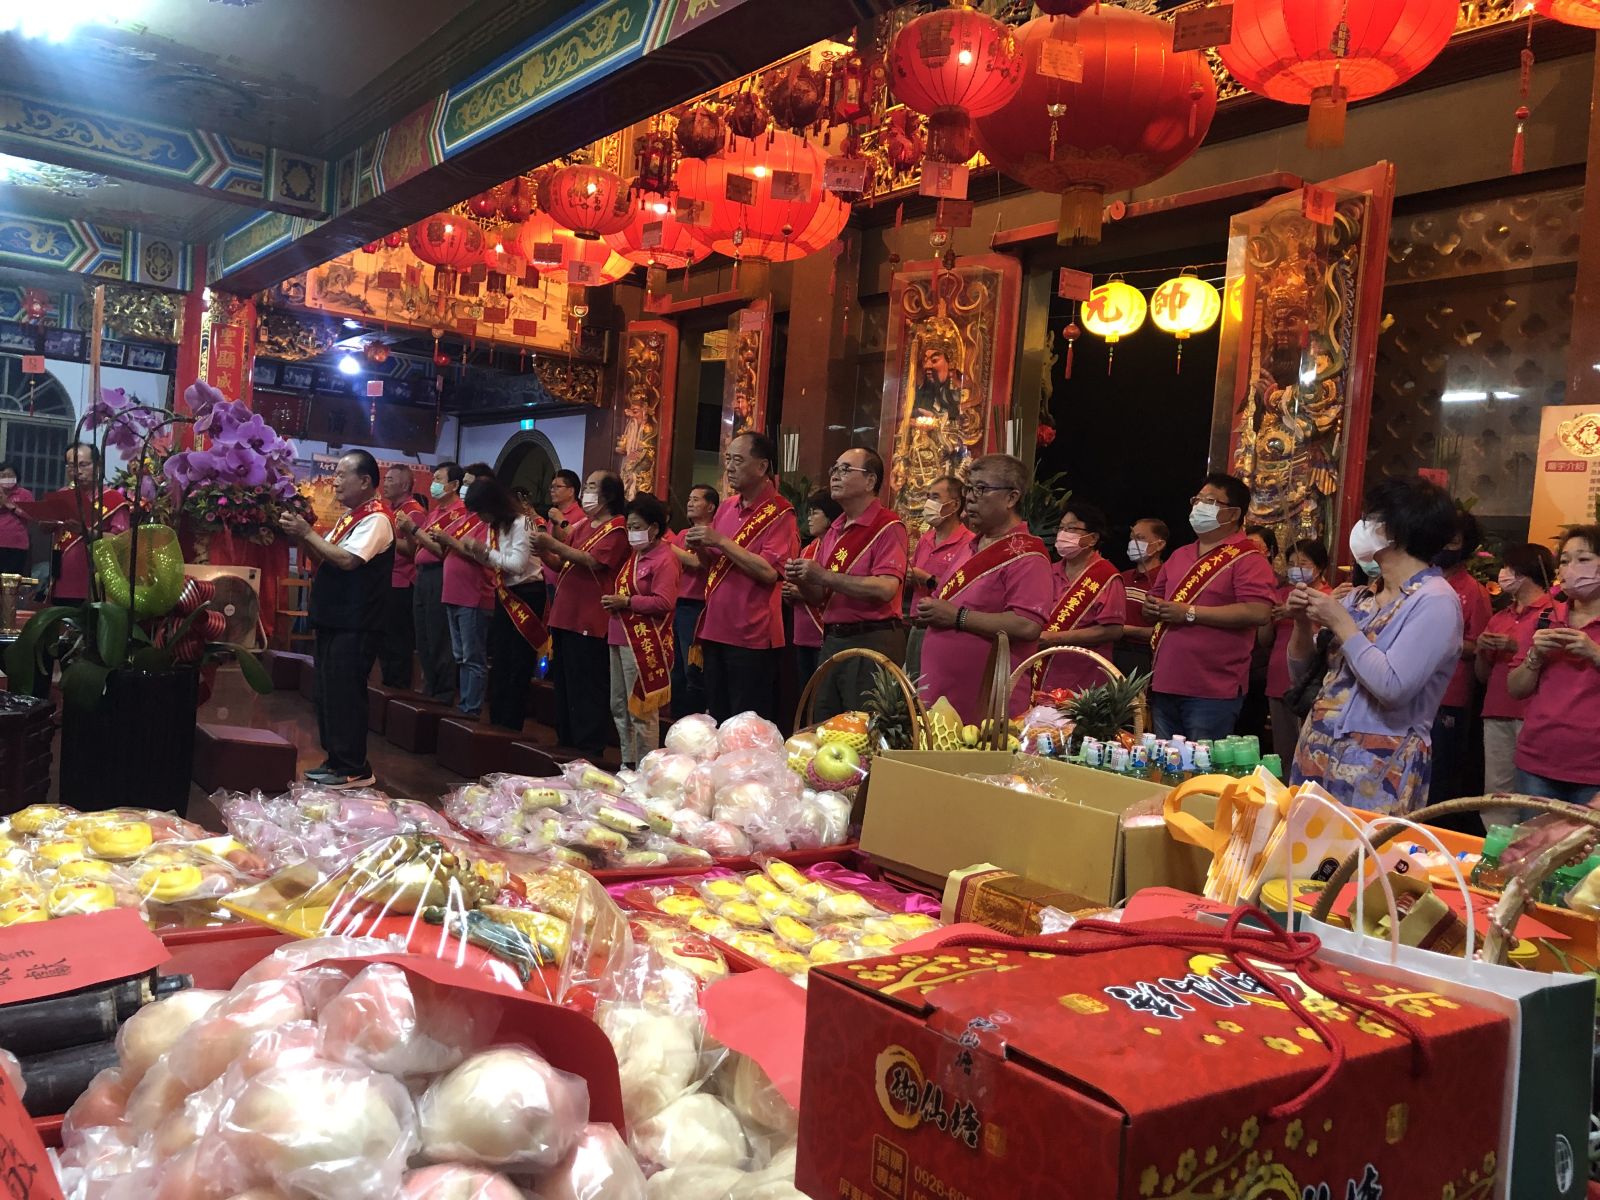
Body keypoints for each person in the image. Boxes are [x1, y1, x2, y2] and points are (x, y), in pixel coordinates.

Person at [1286, 477, 1463, 813]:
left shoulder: (1436, 600)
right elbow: (1302, 673)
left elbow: (1393, 687)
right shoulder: (1359, 597)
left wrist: (1341, 623)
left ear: (1397, 530)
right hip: (1318, 746)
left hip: (1379, 762)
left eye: (1371, 518)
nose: (1362, 526)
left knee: (1365, 848)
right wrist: (1301, 622)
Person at [278, 450, 394, 789]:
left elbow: (346, 560)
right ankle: (336, 760)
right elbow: (324, 557)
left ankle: (355, 767)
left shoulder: (376, 519)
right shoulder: (350, 517)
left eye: (343, 475)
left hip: (356, 621)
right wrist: (301, 536)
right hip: (335, 619)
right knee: (328, 693)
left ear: (365, 481)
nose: (336, 481)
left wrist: (307, 533)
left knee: (346, 694)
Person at [913, 453, 1053, 724]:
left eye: (981, 489)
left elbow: (1027, 625)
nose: (970, 498)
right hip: (941, 692)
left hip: (983, 700)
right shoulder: (971, 545)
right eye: (969, 488)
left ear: (1011, 498)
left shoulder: (1027, 554)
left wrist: (958, 617)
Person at [1142, 474, 1276, 740]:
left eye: (1210, 501)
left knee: (1202, 763)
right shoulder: (1180, 554)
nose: (1199, 506)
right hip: (1165, 682)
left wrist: (1190, 613)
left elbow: (1258, 611)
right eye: (1197, 500)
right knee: (1164, 763)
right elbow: (1154, 602)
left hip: (1211, 690)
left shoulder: (1248, 558)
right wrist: (1151, 608)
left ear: (1233, 513)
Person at [784, 448, 907, 720]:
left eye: (846, 470)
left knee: (864, 726)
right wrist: (801, 579)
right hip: (833, 639)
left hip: (871, 639)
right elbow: (819, 596)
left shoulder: (888, 526)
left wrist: (823, 575)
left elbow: (886, 588)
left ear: (870, 481)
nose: (835, 476)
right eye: (834, 469)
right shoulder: (835, 529)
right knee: (823, 722)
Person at [685, 432, 798, 724]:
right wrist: (702, 547)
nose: (730, 467)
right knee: (719, 716)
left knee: (746, 724)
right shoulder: (727, 506)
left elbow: (770, 572)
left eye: (737, 460)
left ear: (762, 467)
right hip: (715, 628)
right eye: (728, 459)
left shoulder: (780, 513)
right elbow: (711, 565)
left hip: (751, 635)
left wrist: (720, 541)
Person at [433, 476, 545, 732]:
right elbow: (493, 562)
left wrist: (484, 551)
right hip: (504, 591)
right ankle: (497, 721)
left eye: (482, 511)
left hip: (526, 594)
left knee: (518, 663)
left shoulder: (522, 522)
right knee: (501, 660)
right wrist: (478, 552)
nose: (481, 518)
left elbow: (517, 565)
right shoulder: (496, 526)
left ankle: (511, 724)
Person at [1506, 524, 1600, 806]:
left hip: (1594, 771)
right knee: (1531, 835)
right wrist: (1535, 655)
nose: (1571, 569)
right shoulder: (1545, 618)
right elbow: (1516, 689)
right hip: (1536, 762)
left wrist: (1594, 652)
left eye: (1583, 559)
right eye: (1565, 561)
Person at [537, 470, 628, 757]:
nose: (586, 492)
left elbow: (593, 561)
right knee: (564, 684)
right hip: (565, 614)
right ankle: (565, 742)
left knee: (587, 685)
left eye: (591, 486)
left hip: (590, 617)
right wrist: (543, 551)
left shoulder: (618, 528)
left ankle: (588, 748)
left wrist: (553, 544)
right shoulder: (584, 525)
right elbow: (560, 562)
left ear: (608, 495)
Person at [1476, 542, 1556, 821]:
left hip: (1534, 715)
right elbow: (1482, 676)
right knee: (1496, 792)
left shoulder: (1553, 613)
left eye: (1509, 568)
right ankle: (1495, 843)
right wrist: (1482, 649)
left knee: (1534, 794)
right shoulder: (1500, 617)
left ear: (1526, 572)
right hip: (1496, 711)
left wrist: (1515, 648)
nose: (1503, 574)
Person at [603, 493, 681, 767]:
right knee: (619, 705)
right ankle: (628, 763)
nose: (631, 533)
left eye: (637, 527)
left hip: (644, 642)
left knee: (641, 710)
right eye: (629, 527)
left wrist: (627, 602)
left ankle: (647, 768)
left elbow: (664, 602)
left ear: (654, 528)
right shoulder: (635, 556)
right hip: (619, 635)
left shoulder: (665, 558)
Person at [1429, 506, 1493, 805]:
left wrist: (1442, 643)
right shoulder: (1423, 583)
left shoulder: (1474, 591)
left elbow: (1480, 646)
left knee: (1439, 773)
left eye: (1452, 537)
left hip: (1450, 697)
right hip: (1414, 691)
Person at [1036, 501, 1126, 698]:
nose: (1063, 534)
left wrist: (1057, 638)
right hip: (1041, 673)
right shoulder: (1049, 570)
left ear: (1092, 538)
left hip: (1084, 681)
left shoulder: (1106, 577)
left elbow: (1113, 630)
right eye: (1061, 528)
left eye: (1071, 528)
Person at [1261, 537, 1332, 767]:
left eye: (1302, 564)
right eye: (1291, 564)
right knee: (1283, 752)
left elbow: (1326, 640)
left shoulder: (1329, 597)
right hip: (1278, 679)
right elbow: (1265, 640)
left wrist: (1298, 615)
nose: (1295, 569)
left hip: (1311, 684)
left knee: (1309, 752)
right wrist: (1268, 616)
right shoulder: (1282, 595)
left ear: (1319, 567)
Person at [397, 463, 462, 704]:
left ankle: (443, 693)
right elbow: (419, 545)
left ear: (454, 485)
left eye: (438, 479)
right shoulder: (434, 513)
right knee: (422, 635)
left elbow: (442, 550)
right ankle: (429, 688)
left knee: (438, 634)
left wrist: (413, 528)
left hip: (440, 574)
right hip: (422, 575)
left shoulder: (459, 513)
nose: (434, 484)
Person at [903, 475, 971, 682]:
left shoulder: (968, 543)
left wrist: (929, 579)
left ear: (955, 505)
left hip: (944, 631)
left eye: (935, 497)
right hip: (916, 626)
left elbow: (965, 590)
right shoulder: (925, 539)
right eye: (928, 497)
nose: (928, 504)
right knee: (911, 690)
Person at [49, 443, 129, 606]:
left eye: (83, 465)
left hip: (94, 582)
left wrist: (86, 532)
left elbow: (121, 542)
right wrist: (45, 523)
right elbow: (49, 529)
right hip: (61, 577)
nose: (77, 471)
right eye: (71, 466)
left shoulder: (114, 500)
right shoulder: (62, 495)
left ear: (98, 465)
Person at [783, 488, 842, 689]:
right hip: (802, 634)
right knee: (805, 692)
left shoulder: (838, 548)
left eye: (815, 512)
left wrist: (801, 592)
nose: (809, 518)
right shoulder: (807, 550)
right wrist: (789, 592)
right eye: (808, 513)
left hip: (823, 634)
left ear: (830, 516)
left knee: (823, 692)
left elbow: (830, 589)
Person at [667, 484, 718, 717]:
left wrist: (665, 546)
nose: (690, 503)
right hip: (678, 604)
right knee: (676, 667)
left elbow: (698, 563)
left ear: (711, 506)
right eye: (689, 498)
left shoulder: (714, 534)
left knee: (693, 669)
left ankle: (695, 717)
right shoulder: (681, 535)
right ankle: (677, 719)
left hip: (698, 606)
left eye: (696, 499)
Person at [378, 465, 425, 689]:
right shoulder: (389, 509)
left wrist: (383, 538)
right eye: (385, 479)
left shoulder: (414, 512)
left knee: (397, 641)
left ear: (405, 485)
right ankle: (387, 686)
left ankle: (398, 689)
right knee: (384, 640)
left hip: (403, 583)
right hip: (386, 580)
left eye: (390, 479)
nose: (385, 483)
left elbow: (414, 549)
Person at [1116, 517, 1169, 679]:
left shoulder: (1167, 579)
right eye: (1132, 539)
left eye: (1140, 538)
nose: (1134, 543)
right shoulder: (1122, 577)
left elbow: (1166, 630)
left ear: (1160, 544)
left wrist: (1126, 630)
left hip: (1144, 655)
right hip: (1113, 650)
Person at [0, 462, 35, 577]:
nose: (6, 479)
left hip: (17, 544)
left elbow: (32, 515)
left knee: (12, 580)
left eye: (10, 475)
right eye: (2, 476)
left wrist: (10, 505)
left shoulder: (25, 494)